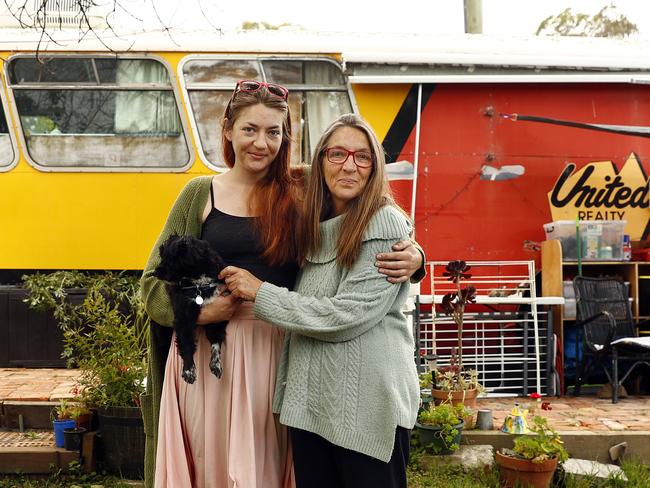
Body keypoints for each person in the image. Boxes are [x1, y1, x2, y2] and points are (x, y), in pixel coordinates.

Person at [140, 82, 424, 488]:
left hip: (282, 353)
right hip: (210, 357)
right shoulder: (199, 193)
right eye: (249, 129)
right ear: (227, 130)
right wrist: (199, 311)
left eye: (274, 132)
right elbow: (151, 283)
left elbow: (372, 209)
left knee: (271, 470)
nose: (261, 143)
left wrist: (415, 254)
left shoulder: (304, 187)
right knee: (213, 467)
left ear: (286, 137)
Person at [221, 113, 421, 488]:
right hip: (312, 406)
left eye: (363, 157)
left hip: (365, 409)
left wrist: (259, 292)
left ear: (375, 167)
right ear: (321, 161)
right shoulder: (313, 220)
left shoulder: (384, 223)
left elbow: (345, 315)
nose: (349, 166)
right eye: (338, 154)